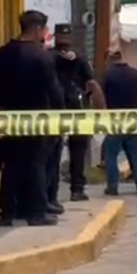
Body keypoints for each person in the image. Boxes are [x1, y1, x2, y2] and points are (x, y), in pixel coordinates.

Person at [0, 10, 64, 227]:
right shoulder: (41, 57)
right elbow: (54, 91)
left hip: (5, 118)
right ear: (37, 28)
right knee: (36, 165)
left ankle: (8, 213)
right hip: (36, 118)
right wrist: (63, 116)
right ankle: (36, 212)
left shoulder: (1, 54)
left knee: (10, 164)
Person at [48, 24, 104, 206]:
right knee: (76, 150)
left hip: (55, 108)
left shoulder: (49, 56)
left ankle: (52, 194)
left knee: (53, 152)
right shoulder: (79, 57)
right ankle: (76, 189)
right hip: (76, 107)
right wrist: (101, 111)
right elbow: (92, 84)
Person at [102, 49, 137, 195]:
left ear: (110, 59)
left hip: (114, 120)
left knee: (111, 154)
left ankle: (113, 185)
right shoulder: (135, 73)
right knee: (134, 151)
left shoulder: (107, 75)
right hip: (132, 118)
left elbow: (99, 95)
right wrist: (136, 100)